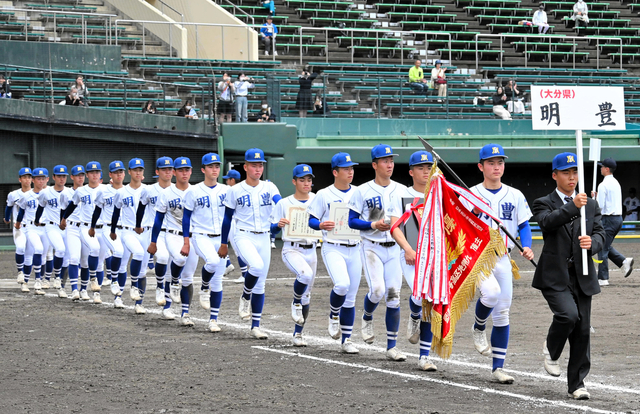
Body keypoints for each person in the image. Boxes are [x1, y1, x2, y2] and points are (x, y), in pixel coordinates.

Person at [532, 152, 605, 400]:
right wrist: (573, 207)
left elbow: (601, 234)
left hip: (583, 275)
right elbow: (548, 223)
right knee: (568, 315)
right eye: (566, 172)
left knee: (582, 330)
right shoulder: (543, 202)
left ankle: (577, 384)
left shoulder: (592, 205)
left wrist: (592, 243)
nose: (572, 177)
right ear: (555, 175)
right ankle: (551, 350)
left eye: (575, 172)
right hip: (554, 275)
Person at [466, 144, 534, 384]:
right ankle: (478, 326)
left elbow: (524, 224)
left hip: (504, 256)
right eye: (491, 163)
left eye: (500, 162)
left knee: (503, 312)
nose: (496, 167)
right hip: (479, 257)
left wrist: (526, 245)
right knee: (491, 294)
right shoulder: (470, 194)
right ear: (481, 166)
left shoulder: (515, 195)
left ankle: (498, 368)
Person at [347, 144, 407, 361]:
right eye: (385, 160)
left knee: (394, 296)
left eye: (391, 160)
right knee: (378, 291)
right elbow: (351, 221)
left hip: (394, 248)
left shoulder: (402, 190)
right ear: (374, 164)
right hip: (371, 246)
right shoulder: (361, 190)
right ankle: (367, 316)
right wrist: (373, 225)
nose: (389, 164)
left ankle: (392, 346)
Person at [217, 148, 282, 340]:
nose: (258, 168)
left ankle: (256, 326)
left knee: (261, 285)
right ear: (245, 167)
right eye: (254, 165)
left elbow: (279, 203)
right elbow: (227, 219)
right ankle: (245, 296)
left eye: (260, 164)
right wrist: (223, 243)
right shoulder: (235, 190)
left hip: (264, 236)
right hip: (243, 235)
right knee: (256, 267)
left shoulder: (270, 187)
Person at [388, 151, 438, 371]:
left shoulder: (439, 195)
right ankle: (414, 313)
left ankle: (424, 356)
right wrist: (408, 248)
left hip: (435, 256)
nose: (425, 171)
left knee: (430, 300)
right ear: (411, 172)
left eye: (429, 167)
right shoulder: (401, 195)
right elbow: (394, 227)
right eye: (420, 168)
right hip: (411, 255)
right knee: (419, 297)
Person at [307, 152, 362, 354]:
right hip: (333, 247)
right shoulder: (324, 194)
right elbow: (311, 220)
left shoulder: (359, 192)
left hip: (356, 247)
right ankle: (333, 314)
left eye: (352, 168)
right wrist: (320, 224)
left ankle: (347, 340)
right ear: (335, 172)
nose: (350, 172)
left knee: (351, 297)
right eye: (346, 168)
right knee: (342, 285)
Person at [148, 157, 199, 326]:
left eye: (187, 169)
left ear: (191, 171)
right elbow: (158, 219)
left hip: (193, 236)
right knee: (179, 259)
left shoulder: (197, 191)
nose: (184, 173)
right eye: (181, 170)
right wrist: (154, 241)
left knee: (189, 277)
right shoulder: (166, 193)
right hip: (172, 234)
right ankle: (169, 299)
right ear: (175, 172)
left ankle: (185, 313)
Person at [271, 164, 318, 347]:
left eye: (309, 179)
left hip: (312, 249)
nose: (306, 183)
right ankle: (295, 301)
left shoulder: (317, 199)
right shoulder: (284, 203)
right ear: (294, 181)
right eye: (302, 179)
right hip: (291, 248)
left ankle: (298, 334)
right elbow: (271, 228)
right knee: (304, 275)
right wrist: (277, 226)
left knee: (307, 296)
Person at [181, 153, 228, 332]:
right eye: (210, 166)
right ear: (203, 169)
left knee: (218, 281)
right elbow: (186, 218)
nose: (214, 169)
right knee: (213, 262)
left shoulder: (226, 190)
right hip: (201, 235)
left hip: (220, 238)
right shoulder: (193, 191)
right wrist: (186, 240)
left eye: (217, 166)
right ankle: (204, 286)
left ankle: (213, 320)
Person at [109, 158, 150, 311]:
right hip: (126, 231)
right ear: (130, 172)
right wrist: (113, 231)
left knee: (143, 269)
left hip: (145, 231)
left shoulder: (148, 190)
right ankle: (119, 296)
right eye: (135, 170)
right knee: (124, 262)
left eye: (141, 170)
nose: (138, 172)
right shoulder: (121, 192)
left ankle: (139, 303)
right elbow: (115, 213)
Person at [61, 162, 103, 303]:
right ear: (88, 175)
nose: (94, 174)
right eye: (92, 172)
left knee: (85, 261)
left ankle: (83, 289)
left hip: (94, 228)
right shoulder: (80, 191)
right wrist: (64, 218)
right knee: (73, 258)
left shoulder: (105, 189)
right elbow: (71, 206)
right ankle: (74, 289)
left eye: (97, 172)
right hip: (75, 227)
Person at [136, 157, 174, 315]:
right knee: (143, 269)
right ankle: (140, 301)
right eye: (164, 169)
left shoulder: (179, 189)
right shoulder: (149, 190)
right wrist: (138, 225)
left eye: (170, 169)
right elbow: (140, 208)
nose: (168, 172)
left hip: (172, 232)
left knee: (171, 269)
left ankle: (168, 306)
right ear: (157, 171)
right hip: (152, 230)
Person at [593, 158, 633, 285]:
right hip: (618, 218)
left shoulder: (603, 185)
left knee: (602, 248)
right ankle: (623, 262)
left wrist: (594, 199)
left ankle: (603, 278)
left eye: (602, 166)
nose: (600, 168)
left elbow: (600, 206)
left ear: (607, 169)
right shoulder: (616, 182)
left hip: (608, 219)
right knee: (605, 245)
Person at [90, 161, 126, 300]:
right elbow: (97, 211)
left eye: (120, 171)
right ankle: (113, 279)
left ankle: (118, 298)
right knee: (117, 252)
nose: (119, 174)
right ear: (110, 174)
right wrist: (92, 227)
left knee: (123, 265)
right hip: (108, 228)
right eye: (116, 172)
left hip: (127, 229)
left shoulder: (129, 190)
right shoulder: (103, 191)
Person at [31, 165, 69, 297]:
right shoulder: (46, 192)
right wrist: (36, 220)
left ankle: (61, 287)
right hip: (52, 226)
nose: (61, 178)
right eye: (59, 176)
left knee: (67, 259)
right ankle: (56, 277)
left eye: (64, 176)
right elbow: (40, 208)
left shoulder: (70, 192)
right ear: (53, 177)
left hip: (67, 227)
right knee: (60, 249)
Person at [15, 168, 49, 294]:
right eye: (38, 179)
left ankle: (29, 281)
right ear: (33, 180)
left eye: (43, 178)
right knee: (35, 251)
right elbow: (21, 212)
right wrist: (18, 224)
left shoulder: (50, 193)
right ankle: (36, 281)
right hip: (31, 227)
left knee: (44, 257)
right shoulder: (26, 196)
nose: (41, 181)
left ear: (47, 179)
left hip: (46, 228)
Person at [5, 168, 32, 285]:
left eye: (29, 177)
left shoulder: (37, 194)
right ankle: (20, 272)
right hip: (19, 226)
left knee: (29, 256)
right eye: (24, 177)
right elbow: (9, 207)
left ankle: (25, 282)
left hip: (32, 227)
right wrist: (6, 219)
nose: (27, 179)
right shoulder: (13, 194)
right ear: (20, 179)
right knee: (20, 247)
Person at [223, 169, 247, 284]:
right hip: (236, 221)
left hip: (233, 222)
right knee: (219, 243)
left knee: (237, 249)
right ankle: (227, 264)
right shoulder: (243, 189)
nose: (226, 181)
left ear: (232, 180)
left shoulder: (231, 190)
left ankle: (245, 274)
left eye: (228, 179)